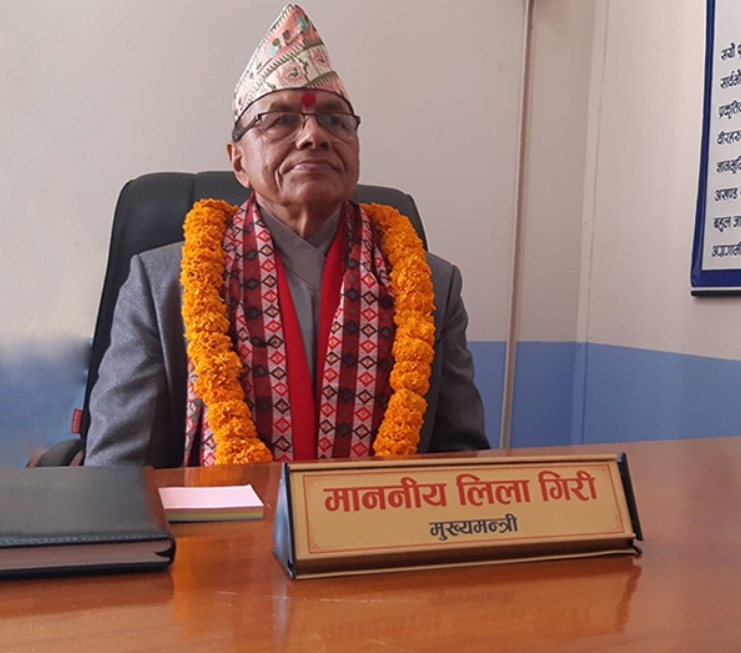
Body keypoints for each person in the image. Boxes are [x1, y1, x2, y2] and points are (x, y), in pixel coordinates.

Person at [85, 4, 488, 467]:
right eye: (280, 120)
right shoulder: (161, 284)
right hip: (216, 517)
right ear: (238, 161)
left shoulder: (432, 285)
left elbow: (461, 462)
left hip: (381, 516)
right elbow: (118, 472)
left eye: (335, 120)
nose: (314, 135)